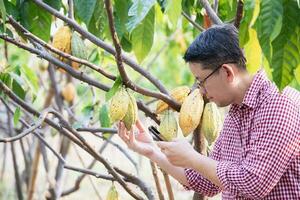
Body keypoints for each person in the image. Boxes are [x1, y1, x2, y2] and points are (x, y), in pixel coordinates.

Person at [118, 24, 300, 199]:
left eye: (201, 81)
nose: (201, 91)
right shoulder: (237, 112)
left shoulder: (279, 105)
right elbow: (207, 181)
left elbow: (253, 183)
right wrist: (151, 150)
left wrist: (192, 158)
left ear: (227, 72)